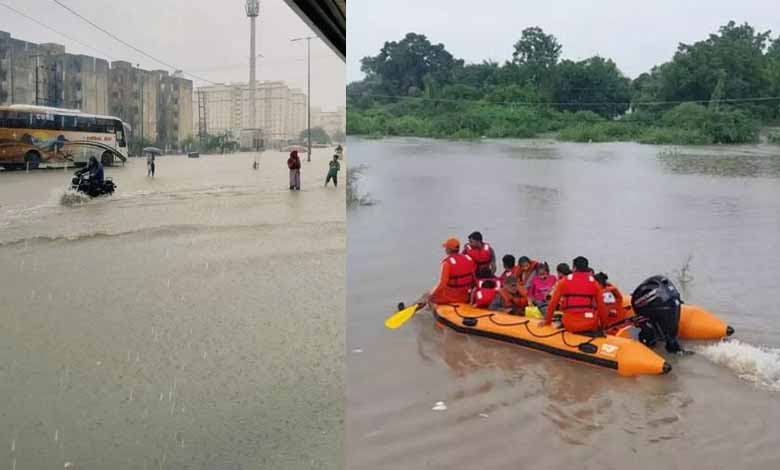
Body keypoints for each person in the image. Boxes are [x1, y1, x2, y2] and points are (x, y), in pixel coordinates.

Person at [540, 256, 607, 334]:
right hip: (590, 324)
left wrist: (547, 321)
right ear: (587, 268)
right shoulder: (595, 284)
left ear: (574, 268)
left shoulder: (563, 282)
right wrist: (603, 326)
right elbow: (602, 307)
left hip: (570, 324)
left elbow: (553, 303)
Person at [420, 238, 476, 305]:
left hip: (452, 297)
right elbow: (474, 278)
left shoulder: (447, 263)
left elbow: (442, 283)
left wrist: (431, 294)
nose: (445, 249)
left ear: (449, 249)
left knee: (427, 295)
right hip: (466, 295)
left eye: (446, 248)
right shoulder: (469, 259)